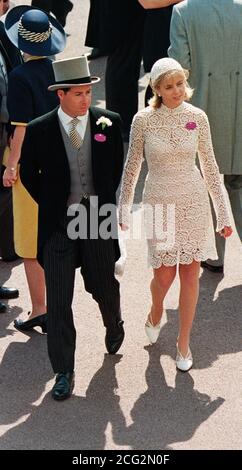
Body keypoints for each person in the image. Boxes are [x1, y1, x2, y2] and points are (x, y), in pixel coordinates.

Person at [20, 55, 125, 400]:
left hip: (96, 219)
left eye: (88, 92)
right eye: (78, 93)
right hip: (58, 226)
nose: (86, 99)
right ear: (60, 95)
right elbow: (29, 173)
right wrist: (55, 204)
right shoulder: (38, 130)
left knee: (102, 285)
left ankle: (114, 321)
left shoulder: (109, 123)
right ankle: (63, 370)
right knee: (60, 301)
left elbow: (113, 169)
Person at [118, 57, 232, 372]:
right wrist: (123, 210)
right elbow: (132, 169)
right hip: (158, 201)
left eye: (180, 83)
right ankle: (155, 311)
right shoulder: (143, 120)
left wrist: (223, 215)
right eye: (169, 87)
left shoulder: (198, 117)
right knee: (164, 274)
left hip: (193, 200)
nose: (176, 91)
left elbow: (210, 167)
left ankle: (183, 342)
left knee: (190, 272)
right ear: (156, 89)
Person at [2, 6, 66, 332]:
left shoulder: (18, 77)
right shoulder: (56, 70)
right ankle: (57, 304)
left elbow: (21, 129)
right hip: (57, 163)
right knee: (53, 239)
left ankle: (41, 308)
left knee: (29, 245)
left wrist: (11, 166)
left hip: (30, 169)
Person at [169, 0, 242, 274]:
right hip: (239, 106)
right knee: (239, 182)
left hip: (201, 107)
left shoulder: (183, 12)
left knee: (206, 184)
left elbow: (179, 67)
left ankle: (214, 255)